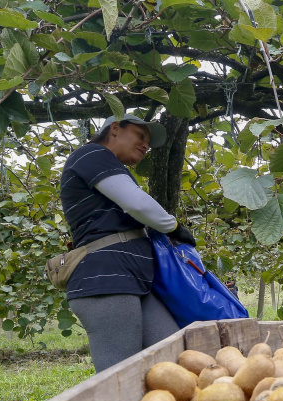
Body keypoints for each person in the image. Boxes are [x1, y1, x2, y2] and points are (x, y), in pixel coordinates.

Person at [60, 113, 196, 372]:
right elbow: (136, 203)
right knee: (120, 377)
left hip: (134, 280)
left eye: (148, 141)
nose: (146, 145)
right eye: (140, 135)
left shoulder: (109, 167)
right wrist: (174, 227)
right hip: (106, 278)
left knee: (174, 364)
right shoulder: (92, 155)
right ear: (114, 129)